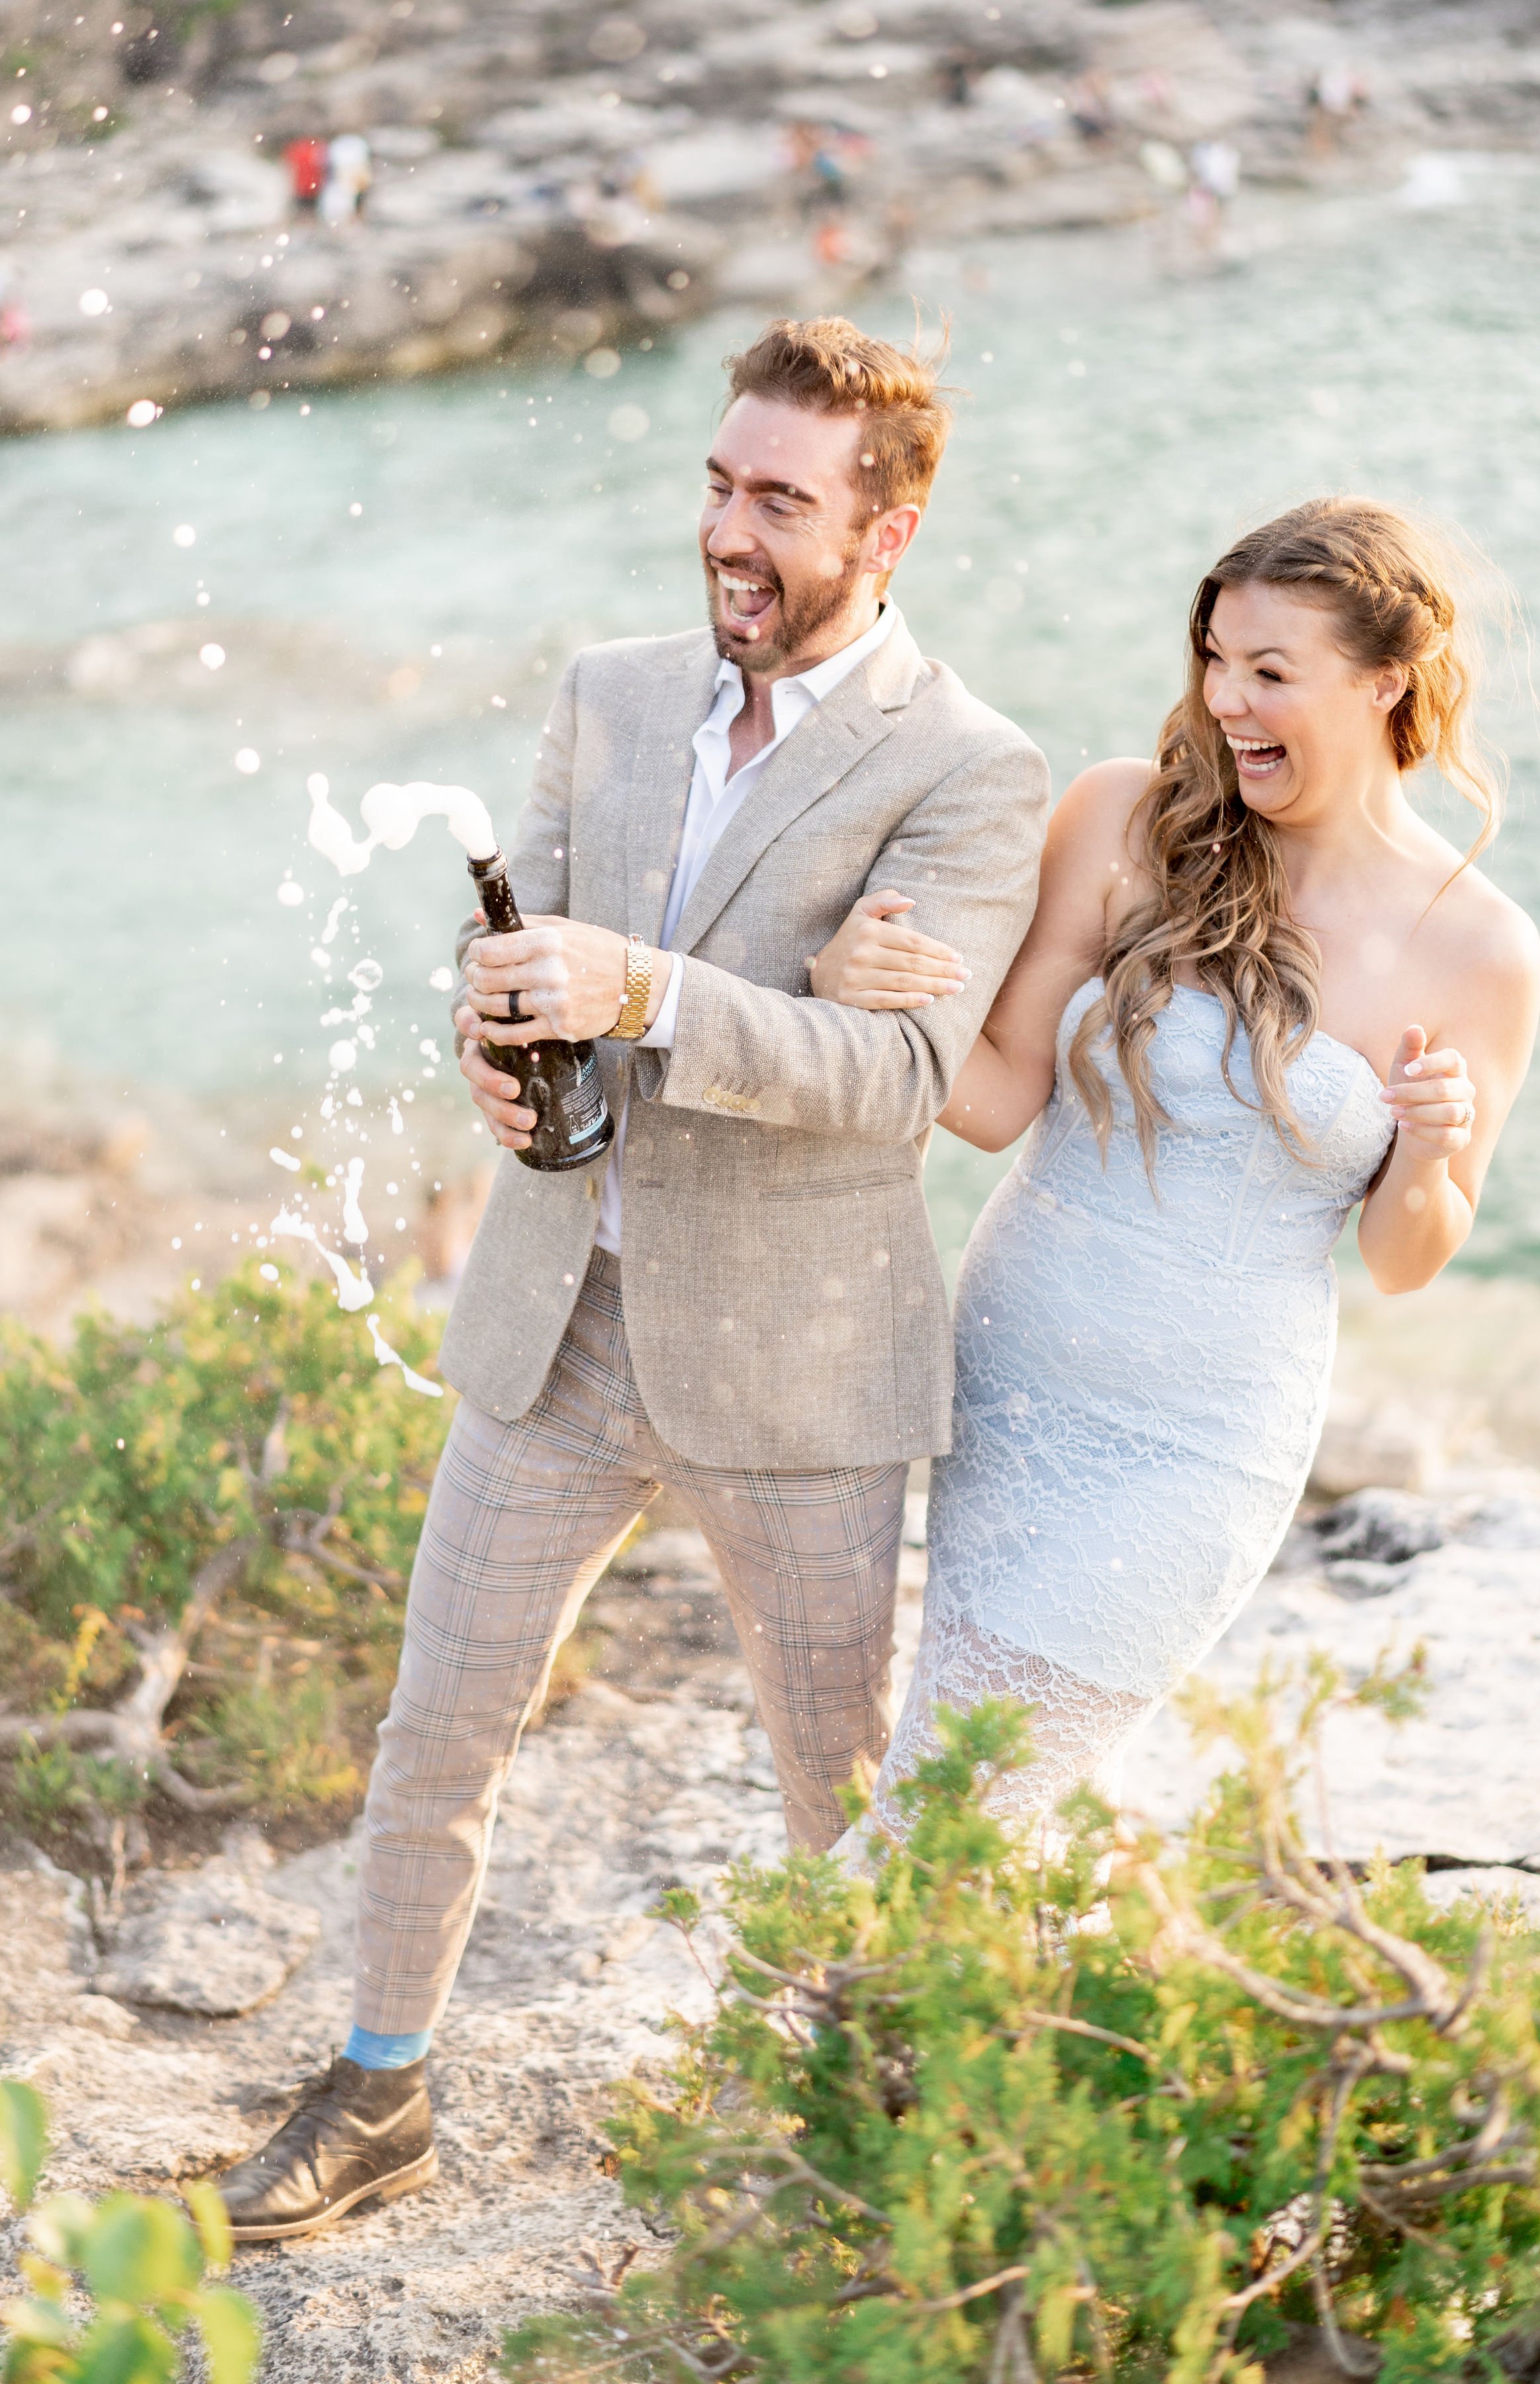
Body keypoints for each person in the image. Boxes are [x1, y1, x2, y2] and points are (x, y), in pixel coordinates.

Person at [210, 317, 1049, 2240]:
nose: (727, 532)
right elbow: (518, 971)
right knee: (438, 1724)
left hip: (799, 1365)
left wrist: (652, 994)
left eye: (778, 501)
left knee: (837, 1788)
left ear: (888, 531)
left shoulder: (974, 773)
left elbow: (902, 1081)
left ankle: (875, 2137)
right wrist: (498, 1049)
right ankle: (381, 2090)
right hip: (552, 1322)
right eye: (716, 483)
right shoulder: (606, 691)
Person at [810, 497, 1540, 1856]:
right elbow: (993, 1101)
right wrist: (862, 994)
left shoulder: (1480, 947)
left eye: (1272, 671)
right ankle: (1002, 2058)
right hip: (1011, 1394)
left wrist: (1430, 1151)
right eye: (1216, 659)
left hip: (1199, 1451)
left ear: (1388, 680)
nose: (1227, 700)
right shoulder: (1126, 819)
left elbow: (1403, 1257)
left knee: (943, 1813)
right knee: (1012, 1804)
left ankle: (801, 2046)